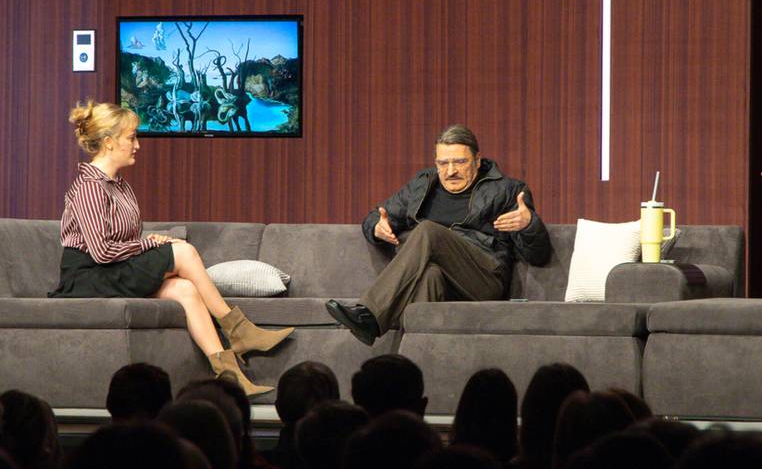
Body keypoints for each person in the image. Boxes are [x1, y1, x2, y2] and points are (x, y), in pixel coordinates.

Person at [49, 100, 292, 395]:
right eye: (131, 138)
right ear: (109, 142)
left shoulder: (120, 186)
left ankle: (230, 377)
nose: (137, 145)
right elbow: (101, 251)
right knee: (184, 252)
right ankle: (239, 330)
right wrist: (147, 245)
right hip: (88, 276)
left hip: (111, 269)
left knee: (185, 289)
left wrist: (148, 243)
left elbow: (123, 241)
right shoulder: (89, 187)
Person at [326, 124, 550, 344]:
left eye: (460, 162)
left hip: (483, 279)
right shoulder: (422, 185)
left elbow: (539, 255)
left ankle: (370, 314)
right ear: (436, 163)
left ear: (477, 160)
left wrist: (529, 224)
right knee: (429, 276)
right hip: (443, 279)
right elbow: (376, 215)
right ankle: (417, 356)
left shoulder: (507, 190)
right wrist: (376, 227)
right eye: (443, 163)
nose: (451, 171)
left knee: (427, 230)